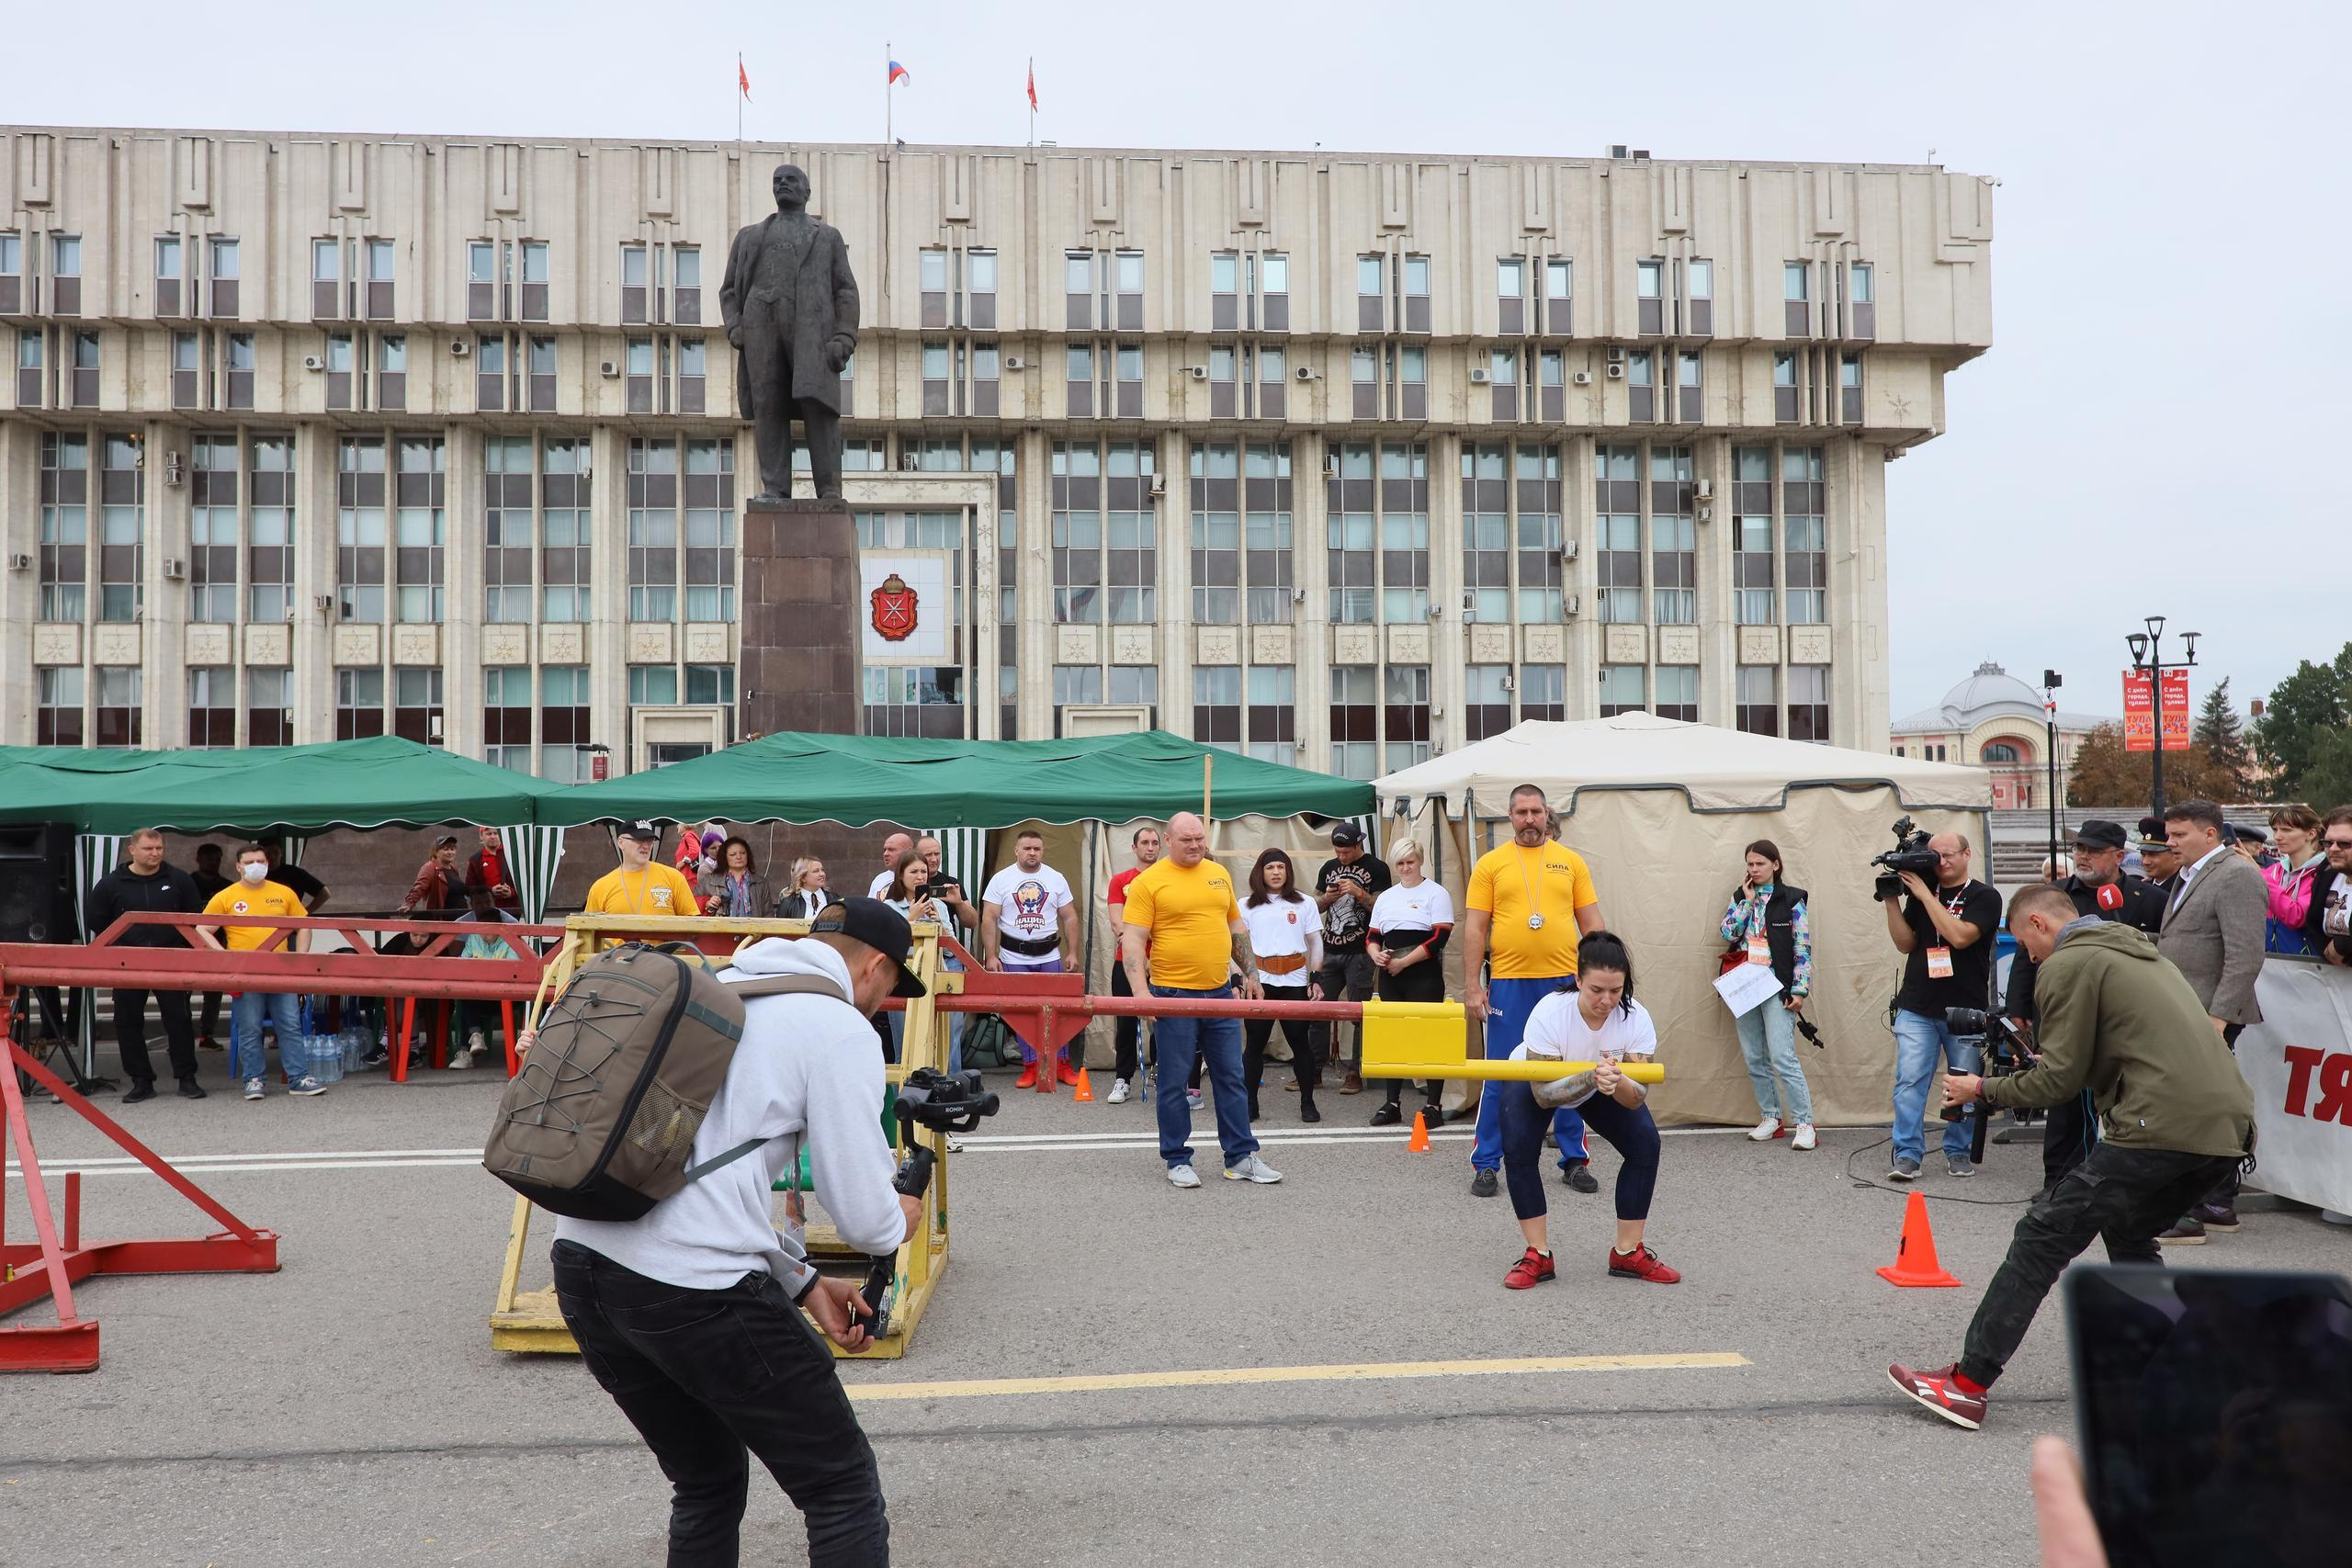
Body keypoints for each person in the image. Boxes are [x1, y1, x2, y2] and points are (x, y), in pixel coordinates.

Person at [540, 897, 922, 1567]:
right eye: (892, 988)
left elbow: (702, 1167)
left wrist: (800, 1279)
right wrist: (901, 1219)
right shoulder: (836, 1027)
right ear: (876, 967)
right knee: (840, 1485)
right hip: (692, 1286)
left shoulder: (717, 983)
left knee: (707, 1480)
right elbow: (863, 1214)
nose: (882, 1005)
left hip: (581, 1257)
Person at [1886, 883, 2254, 1431]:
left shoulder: (2068, 963)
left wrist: (1981, 1090)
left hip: (2160, 1125)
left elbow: (2059, 1081)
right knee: (2128, 1232)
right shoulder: (2139, 953)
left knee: (2040, 1237)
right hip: (2227, 1129)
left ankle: (1966, 1386)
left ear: (2039, 925)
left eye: (2026, 947)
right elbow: (2106, 1053)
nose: (2028, 961)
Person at [1498, 933, 1679, 1289]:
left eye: (1616, 990)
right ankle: (1538, 1254)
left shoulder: (1636, 1017)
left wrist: (1616, 1082)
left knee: (1645, 1145)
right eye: (1596, 989)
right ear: (1578, 980)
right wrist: (1593, 1077)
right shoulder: (1549, 1012)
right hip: (1537, 1081)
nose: (1607, 1000)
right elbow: (1545, 1097)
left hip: (1598, 1080)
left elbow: (1636, 1096)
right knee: (1518, 1149)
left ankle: (1627, 1253)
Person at [1999, 819, 2167, 1193]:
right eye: (2079, 849)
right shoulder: (2055, 895)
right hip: (2064, 1014)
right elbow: (2028, 959)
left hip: (2116, 1021)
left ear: (2120, 856)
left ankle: (2116, 1182)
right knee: (2063, 1098)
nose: (2083, 856)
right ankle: (2058, 1183)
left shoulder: (2149, 899)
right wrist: (2019, 1008)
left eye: (2093, 850)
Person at [1120, 812, 1282, 1190]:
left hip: (1220, 992)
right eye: (1186, 839)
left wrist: (1252, 973)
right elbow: (1133, 938)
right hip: (1172, 995)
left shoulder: (1218, 873)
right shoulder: (1149, 882)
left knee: (1232, 1076)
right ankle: (1177, 1159)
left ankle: (1240, 1156)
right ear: (1166, 839)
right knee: (1175, 1082)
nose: (1195, 845)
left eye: (1199, 839)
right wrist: (1141, 994)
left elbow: (1235, 926)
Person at [1463, 784, 1606, 1200]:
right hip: (1509, 982)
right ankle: (1487, 1162)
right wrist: (1473, 985)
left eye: (1536, 812)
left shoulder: (1570, 862)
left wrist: (1605, 982)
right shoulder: (1491, 864)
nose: (1529, 819)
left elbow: (1592, 923)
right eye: (1522, 812)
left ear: (1547, 814)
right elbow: (1475, 928)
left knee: (1571, 1071)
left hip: (1564, 983)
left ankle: (1573, 1159)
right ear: (1510, 816)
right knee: (1501, 1074)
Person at [2152, 798, 2267, 1244]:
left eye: (2179, 835)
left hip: (2209, 1013)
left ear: (2211, 835)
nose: (2170, 842)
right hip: (2186, 1008)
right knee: (2202, 1107)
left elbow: (2245, 956)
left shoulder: (2237, 875)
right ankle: (2217, 1202)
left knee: (2193, 1112)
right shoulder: (2189, 875)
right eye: (2170, 834)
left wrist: (2218, 1018)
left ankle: (2192, 1210)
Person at [1880, 829, 2002, 1182]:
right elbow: (1907, 944)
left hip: (1965, 1009)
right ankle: (1906, 1154)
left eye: (1949, 855)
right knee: (1910, 1081)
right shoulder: (1922, 895)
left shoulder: (1985, 896)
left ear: (1967, 855)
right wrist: (1891, 902)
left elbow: (1961, 937)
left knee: (1962, 1083)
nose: (1942, 862)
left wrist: (1924, 895)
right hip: (1918, 1005)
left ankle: (1958, 1151)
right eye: (1936, 856)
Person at [84, 828, 207, 1103]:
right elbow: (96, 922)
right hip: (128, 964)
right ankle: (141, 1081)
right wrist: (121, 948)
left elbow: (195, 918)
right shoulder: (110, 884)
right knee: (127, 1022)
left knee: (179, 1020)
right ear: (132, 850)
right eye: (149, 849)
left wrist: (180, 950)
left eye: (159, 848)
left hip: (171, 962)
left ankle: (187, 1078)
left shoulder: (179, 880)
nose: (155, 853)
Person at [192, 844, 322, 1101]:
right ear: (238, 867)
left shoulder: (284, 893)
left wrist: (301, 957)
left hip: (281, 972)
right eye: (250, 862)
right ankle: (253, 1080)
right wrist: (223, 955)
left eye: (261, 861)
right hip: (245, 973)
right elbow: (202, 929)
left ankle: (298, 1078)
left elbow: (304, 924)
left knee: (290, 1025)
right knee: (249, 1028)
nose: (256, 866)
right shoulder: (226, 896)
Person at [1719, 840, 1815, 1150]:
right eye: (1749, 864)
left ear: (1775, 864)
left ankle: (1804, 1123)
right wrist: (1746, 902)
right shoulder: (1741, 896)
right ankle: (1771, 1119)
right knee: (1754, 1056)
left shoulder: (1792, 899)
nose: (1754, 869)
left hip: (1778, 985)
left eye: (1760, 863)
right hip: (1745, 985)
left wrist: (1799, 989)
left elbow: (1802, 946)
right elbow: (1728, 933)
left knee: (1782, 1056)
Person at [980, 829, 1080, 1088]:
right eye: (1027, 848)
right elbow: (989, 918)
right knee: (1023, 1013)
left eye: (1036, 848)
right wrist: (990, 956)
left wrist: (1072, 952)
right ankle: (1031, 1065)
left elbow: (1069, 916)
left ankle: (1062, 1064)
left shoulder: (1055, 878)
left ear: (1042, 850)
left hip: (1049, 955)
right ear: (1016, 850)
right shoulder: (1001, 879)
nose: (1032, 853)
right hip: (1014, 956)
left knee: (1059, 1010)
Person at [1366, 837, 1452, 1129]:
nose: (1405, 868)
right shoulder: (1387, 897)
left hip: (1422, 975)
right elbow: (1373, 936)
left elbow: (1439, 937)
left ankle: (1433, 1105)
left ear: (1420, 860)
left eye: (1410, 862)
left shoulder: (1436, 893)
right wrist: (1376, 955)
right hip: (1391, 975)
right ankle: (1392, 1103)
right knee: (1394, 1038)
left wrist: (1404, 962)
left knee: (1429, 1038)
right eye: (1400, 863)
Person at [1239, 848, 1324, 1124]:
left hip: (1295, 981)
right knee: (1254, 1044)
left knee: (1300, 1043)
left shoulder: (1305, 903)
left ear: (1287, 870)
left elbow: (1315, 942)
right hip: (1261, 982)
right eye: (1269, 867)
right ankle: (1250, 1103)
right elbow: (1235, 946)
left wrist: (1316, 978)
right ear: (1260, 872)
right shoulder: (1246, 905)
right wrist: (1241, 978)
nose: (1276, 872)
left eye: (1280, 867)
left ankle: (1308, 1102)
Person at [1310, 824, 1390, 1096]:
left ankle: (1356, 1073)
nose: (1341, 857)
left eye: (1346, 851)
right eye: (1337, 851)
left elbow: (1382, 908)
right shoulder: (1328, 867)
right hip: (1330, 948)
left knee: (1360, 1014)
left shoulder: (1378, 868)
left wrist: (1359, 893)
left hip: (1361, 951)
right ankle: (1314, 1070)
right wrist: (1328, 898)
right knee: (1317, 1010)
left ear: (1359, 844)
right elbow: (1315, 907)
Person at [1103, 825, 1162, 1105]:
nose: (1150, 847)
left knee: (1161, 1020)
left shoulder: (1168, 879)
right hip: (1127, 961)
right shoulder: (1121, 880)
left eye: (1155, 843)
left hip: (1164, 961)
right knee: (1125, 1020)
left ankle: (1161, 1073)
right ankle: (1123, 1079)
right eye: (1145, 843)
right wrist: (1141, 954)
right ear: (1134, 847)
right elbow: (1119, 923)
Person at [875, 849, 939, 1064]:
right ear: (901, 875)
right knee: (904, 1043)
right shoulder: (889, 907)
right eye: (914, 872)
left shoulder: (937, 906)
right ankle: (902, 1094)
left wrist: (939, 922)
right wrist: (911, 918)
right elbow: (886, 943)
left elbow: (950, 948)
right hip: (903, 977)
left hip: (934, 977)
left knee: (937, 1043)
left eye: (923, 871)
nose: (920, 877)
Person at [449, 883, 521, 1071]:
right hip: (478, 990)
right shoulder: (471, 934)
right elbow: (460, 961)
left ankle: (470, 1043)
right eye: (478, 903)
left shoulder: (510, 928)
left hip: (506, 992)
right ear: (471, 904)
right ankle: (472, 1042)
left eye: (486, 902)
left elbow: (512, 967)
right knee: (466, 996)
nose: (482, 906)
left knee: (469, 998)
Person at [583, 822, 703, 918]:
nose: (646, 846)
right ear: (621, 842)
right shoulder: (600, 887)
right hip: (616, 949)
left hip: (661, 949)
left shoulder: (674, 878)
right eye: (638, 840)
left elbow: (692, 928)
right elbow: (588, 933)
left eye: (650, 840)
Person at [2258, 805, 2329, 956]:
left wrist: (2259, 875)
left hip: (2310, 966)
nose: (2277, 836)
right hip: (2271, 964)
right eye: (2275, 829)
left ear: (2311, 834)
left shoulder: (2324, 873)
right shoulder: (2273, 871)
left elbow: (2296, 916)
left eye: (2286, 830)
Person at [189, 841, 232, 1052]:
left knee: (214, 993)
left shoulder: (229, 887)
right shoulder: (186, 883)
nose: (213, 863)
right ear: (198, 859)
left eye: (217, 859)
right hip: (187, 944)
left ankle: (207, 1035)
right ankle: (180, 1037)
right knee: (180, 992)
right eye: (208, 858)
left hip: (218, 944)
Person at [2312, 807, 2352, 965]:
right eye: (2328, 842)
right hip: (2332, 982)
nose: (2333, 849)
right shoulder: (2326, 874)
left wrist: (2342, 946)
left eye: (2344, 843)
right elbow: (2313, 926)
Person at [699, 836, 771, 919]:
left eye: (743, 853)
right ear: (725, 857)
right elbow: (698, 907)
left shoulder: (761, 883)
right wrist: (708, 905)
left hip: (754, 930)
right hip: (723, 929)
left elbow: (768, 914)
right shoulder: (711, 881)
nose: (739, 857)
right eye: (733, 854)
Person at [397, 833, 463, 919]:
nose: (450, 852)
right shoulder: (430, 867)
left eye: (452, 849)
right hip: (442, 919)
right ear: (436, 852)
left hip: (460, 918)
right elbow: (419, 887)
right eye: (446, 849)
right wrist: (409, 903)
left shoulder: (454, 869)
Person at [258, 840, 329, 912]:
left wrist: (305, 912)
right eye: (268, 853)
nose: (272, 857)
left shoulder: (295, 873)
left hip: (290, 920)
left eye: (276, 852)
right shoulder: (255, 875)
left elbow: (324, 893)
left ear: (281, 853)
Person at [467, 826, 523, 916]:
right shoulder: (475, 860)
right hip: (486, 910)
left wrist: (511, 892)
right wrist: (490, 891)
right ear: (481, 836)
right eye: (489, 834)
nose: (493, 836)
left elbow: (525, 881)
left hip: (512, 909)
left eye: (495, 833)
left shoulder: (513, 855)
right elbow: (470, 887)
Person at [2136, 817, 2182, 900]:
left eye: (2153, 855)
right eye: (2143, 854)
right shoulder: (2143, 887)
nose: (2145, 862)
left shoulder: (2184, 889)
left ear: (2175, 856)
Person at [777, 856, 836, 920]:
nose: (822, 874)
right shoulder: (789, 903)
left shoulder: (834, 899)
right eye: (816, 871)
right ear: (803, 877)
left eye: (822, 870)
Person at [867, 830, 913, 898]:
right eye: (885, 850)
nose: (885, 854)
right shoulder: (879, 879)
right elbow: (870, 906)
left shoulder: (918, 877)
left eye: (891, 850)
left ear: (908, 851)